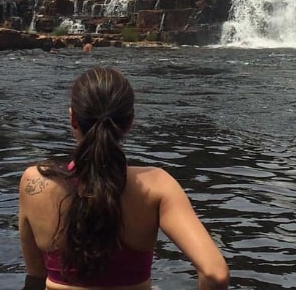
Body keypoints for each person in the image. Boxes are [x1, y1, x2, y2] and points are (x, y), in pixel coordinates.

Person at [18, 67, 229, 290]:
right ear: (129, 123)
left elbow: (35, 278)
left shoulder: (35, 182)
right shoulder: (157, 185)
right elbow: (214, 274)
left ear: (73, 119)